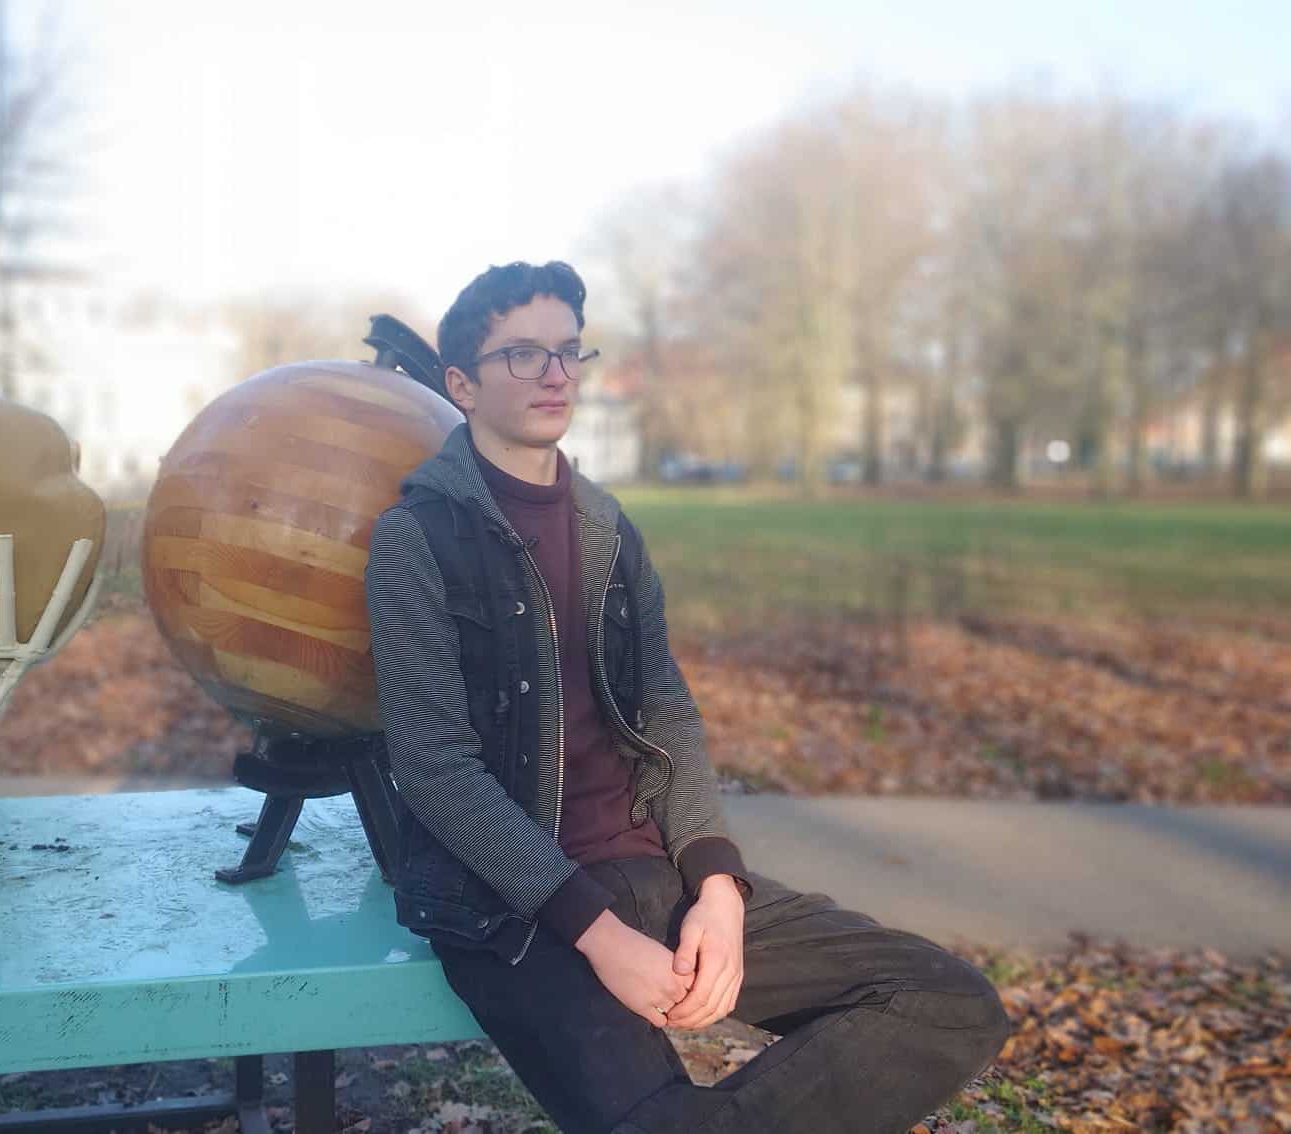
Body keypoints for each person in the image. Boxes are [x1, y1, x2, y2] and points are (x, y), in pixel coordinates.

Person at [363, 261, 1012, 1133]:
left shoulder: (608, 530)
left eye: (568, 350)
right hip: (515, 906)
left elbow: (666, 712)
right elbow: (437, 773)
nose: (555, 373)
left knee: (946, 1001)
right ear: (461, 384)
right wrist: (601, 937)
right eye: (522, 354)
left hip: (654, 871)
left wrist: (718, 888)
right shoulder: (414, 540)